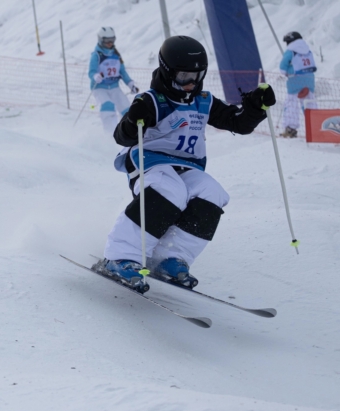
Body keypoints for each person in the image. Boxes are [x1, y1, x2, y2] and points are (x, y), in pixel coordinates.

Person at [94, 36, 276, 293]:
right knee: (170, 191)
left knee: (213, 193)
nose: (190, 83)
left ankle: (169, 258)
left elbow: (237, 123)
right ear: (167, 72)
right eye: (183, 77)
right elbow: (121, 136)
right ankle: (120, 256)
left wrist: (255, 108)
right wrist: (133, 119)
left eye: (197, 76)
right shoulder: (153, 101)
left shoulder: (203, 100)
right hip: (149, 164)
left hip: (186, 168)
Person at [88, 27, 139, 133]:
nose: (110, 43)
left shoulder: (116, 55)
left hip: (114, 87)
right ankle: (111, 134)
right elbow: (91, 72)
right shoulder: (97, 55)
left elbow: (123, 72)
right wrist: (96, 76)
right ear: (100, 40)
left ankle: (129, 133)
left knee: (126, 108)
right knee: (107, 105)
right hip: (99, 88)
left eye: (112, 40)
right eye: (107, 40)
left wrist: (130, 84)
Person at [279, 31, 317, 138]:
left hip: (295, 80)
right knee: (310, 102)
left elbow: (283, 67)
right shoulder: (307, 50)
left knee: (291, 103)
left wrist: (286, 72)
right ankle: (315, 125)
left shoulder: (290, 51)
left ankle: (290, 129)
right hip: (309, 80)